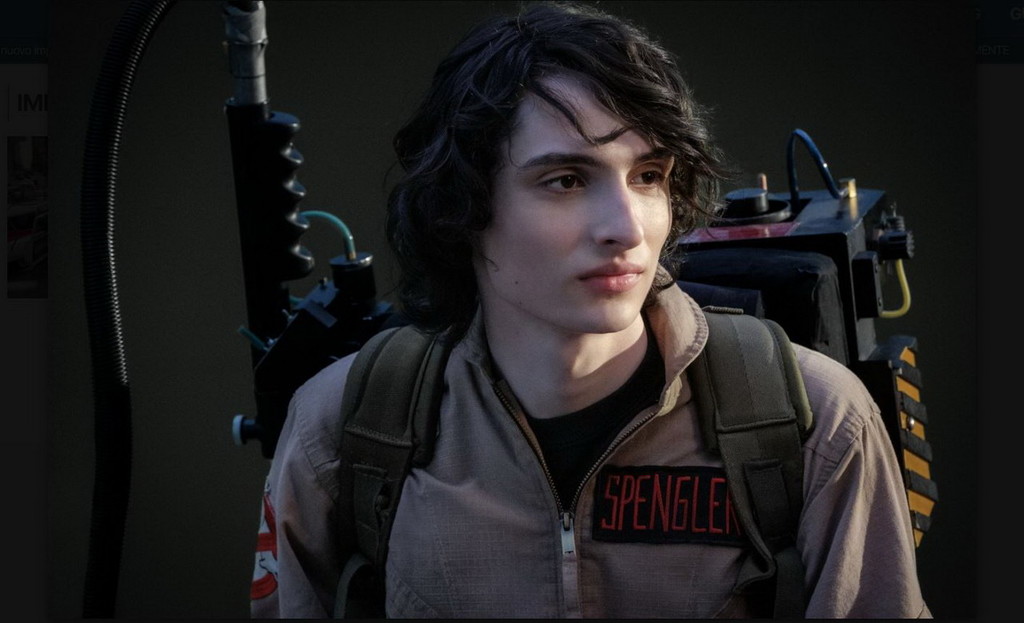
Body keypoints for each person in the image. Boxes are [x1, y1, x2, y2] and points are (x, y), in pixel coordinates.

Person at [249, 1, 932, 618]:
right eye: (567, 180)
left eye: (648, 176)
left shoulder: (818, 423)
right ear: (463, 205)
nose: (626, 228)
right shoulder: (342, 427)